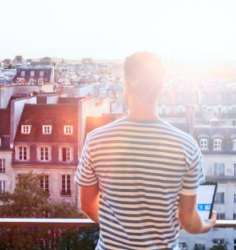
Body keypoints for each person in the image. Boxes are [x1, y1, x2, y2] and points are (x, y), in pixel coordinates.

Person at [75, 51, 216, 250]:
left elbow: (87, 205)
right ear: (160, 89)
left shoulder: (96, 140)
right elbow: (188, 220)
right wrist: (204, 225)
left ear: (126, 87)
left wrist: (120, 227)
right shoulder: (186, 146)